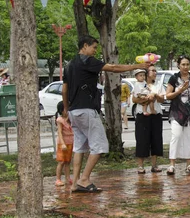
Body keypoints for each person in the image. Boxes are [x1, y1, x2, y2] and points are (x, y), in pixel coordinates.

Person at [62, 35, 150, 193]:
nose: (95, 51)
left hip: (74, 111)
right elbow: (114, 68)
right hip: (87, 109)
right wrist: (138, 66)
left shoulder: (69, 65)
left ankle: (75, 183)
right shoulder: (88, 61)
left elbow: (64, 89)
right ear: (84, 47)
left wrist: (66, 109)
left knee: (80, 147)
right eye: (94, 47)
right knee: (100, 146)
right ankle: (84, 179)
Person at [165, 55, 190, 174]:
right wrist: (179, 91)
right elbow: (168, 95)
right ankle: (172, 164)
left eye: (187, 64)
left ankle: (189, 164)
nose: (185, 67)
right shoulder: (173, 78)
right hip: (177, 112)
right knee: (176, 136)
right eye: (183, 64)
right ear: (178, 65)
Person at [132, 67, 165, 174]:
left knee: (156, 139)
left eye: (155, 71)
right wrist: (146, 99)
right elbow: (134, 99)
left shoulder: (158, 85)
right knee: (142, 139)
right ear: (146, 73)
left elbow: (162, 99)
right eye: (152, 70)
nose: (155, 72)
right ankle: (140, 166)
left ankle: (154, 165)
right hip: (142, 114)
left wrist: (155, 95)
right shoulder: (139, 84)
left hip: (156, 114)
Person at [55, 101, 74, 186]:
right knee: (61, 161)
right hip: (62, 142)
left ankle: (68, 178)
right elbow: (59, 132)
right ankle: (58, 179)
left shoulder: (71, 119)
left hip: (71, 142)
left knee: (68, 161)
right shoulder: (60, 120)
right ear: (61, 111)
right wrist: (62, 143)